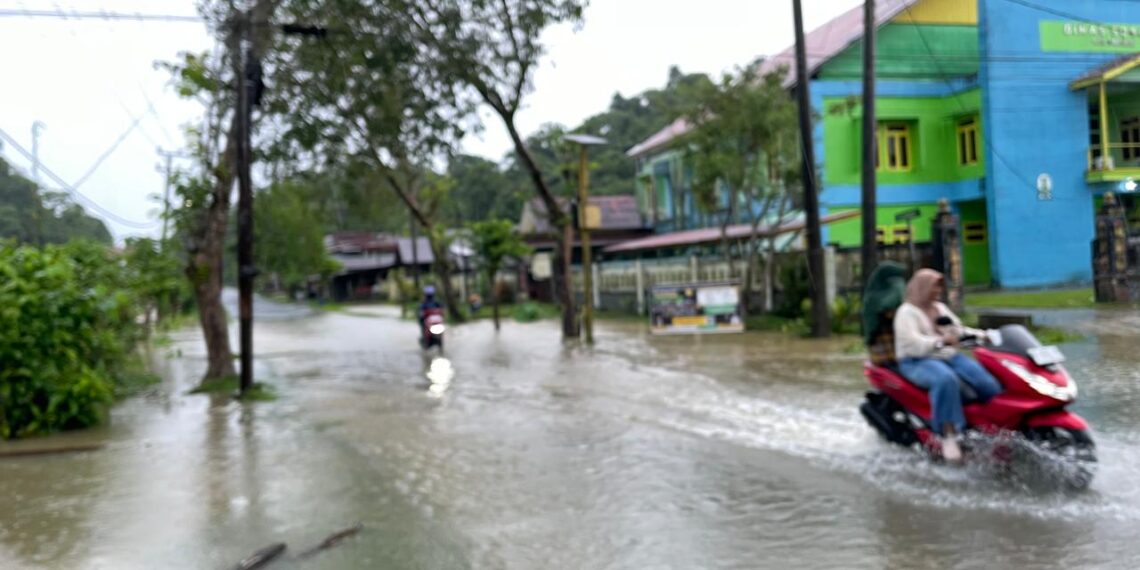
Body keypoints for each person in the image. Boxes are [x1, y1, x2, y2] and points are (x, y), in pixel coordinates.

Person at [894, 269, 1002, 463]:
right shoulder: (906, 312)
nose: (938, 290)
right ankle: (948, 434)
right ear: (923, 286)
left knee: (987, 382)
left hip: (948, 356)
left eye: (940, 286)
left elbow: (957, 330)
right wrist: (939, 341)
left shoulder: (940, 308)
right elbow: (912, 343)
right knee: (945, 380)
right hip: (917, 360)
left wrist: (983, 335)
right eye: (935, 285)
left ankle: (995, 429)